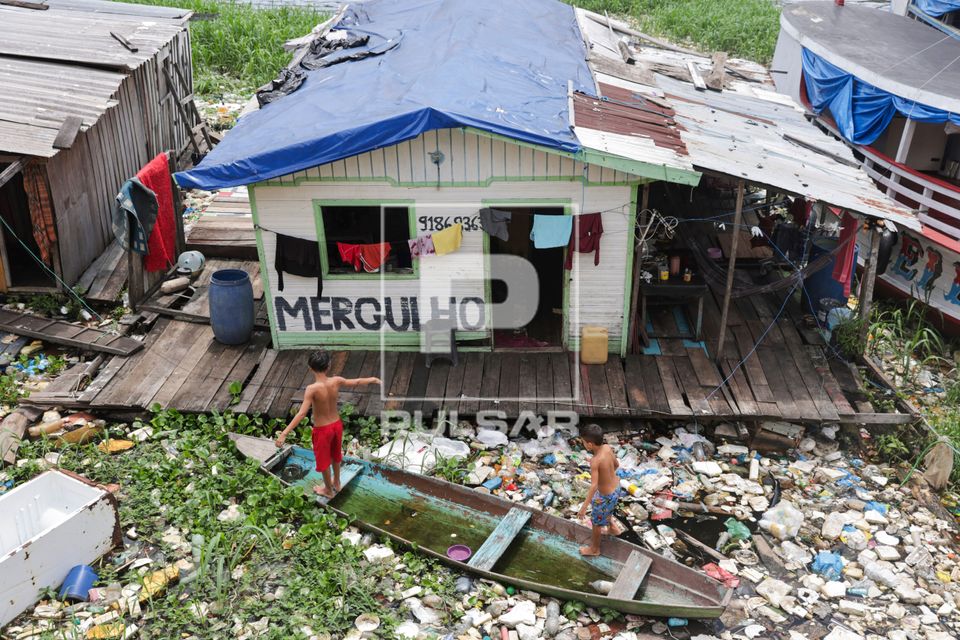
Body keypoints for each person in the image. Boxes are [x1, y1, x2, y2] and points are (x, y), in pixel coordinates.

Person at [275, 349, 381, 498]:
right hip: (336, 425)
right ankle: (336, 482)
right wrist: (373, 379)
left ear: (310, 368)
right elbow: (356, 382)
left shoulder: (312, 389)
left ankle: (328, 491)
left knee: (324, 461)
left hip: (323, 431)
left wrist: (284, 433)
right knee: (336, 454)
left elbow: (301, 414)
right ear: (329, 365)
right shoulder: (336, 381)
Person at [577, 423, 620, 556]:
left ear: (589, 445)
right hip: (617, 488)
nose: (583, 444)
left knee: (596, 522)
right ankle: (613, 528)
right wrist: (606, 474)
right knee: (606, 507)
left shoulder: (595, 461)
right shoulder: (607, 448)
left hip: (605, 496)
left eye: (584, 442)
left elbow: (594, 486)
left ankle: (594, 549)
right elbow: (616, 465)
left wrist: (584, 507)